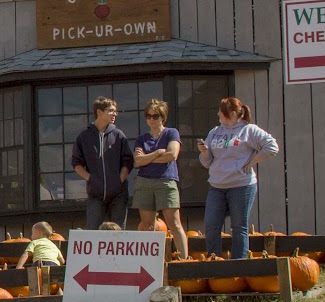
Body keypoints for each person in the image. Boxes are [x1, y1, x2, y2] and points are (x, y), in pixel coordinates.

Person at [198, 97, 281, 260]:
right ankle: (213, 262)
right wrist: (204, 152)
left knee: (238, 227)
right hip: (216, 186)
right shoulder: (215, 132)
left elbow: (272, 147)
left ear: (235, 113)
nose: (219, 114)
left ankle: (239, 265)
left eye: (223, 112)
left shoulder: (249, 130)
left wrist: (253, 160)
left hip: (241, 185)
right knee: (211, 225)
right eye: (220, 111)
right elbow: (207, 163)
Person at [132, 98, 190, 260]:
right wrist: (157, 153)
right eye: (148, 116)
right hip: (144, 182)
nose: (151, 119)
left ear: (162, 117)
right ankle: (150, 262)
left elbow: (172, 155)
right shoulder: (141, 138)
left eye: (155, 116)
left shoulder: (171, 133)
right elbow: (137, 161)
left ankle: (184, 260)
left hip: (166, 181)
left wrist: (147, 158)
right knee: (147, 225)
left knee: (174, 223)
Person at [71, 97, 134, 229]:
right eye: (111, 111)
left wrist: (120, 179)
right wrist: (91, 178)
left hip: (118, 194)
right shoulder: (84, 137)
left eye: (116, 111)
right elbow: (76, 163)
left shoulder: (119, 135)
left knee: (118, 232)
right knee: (93, 231)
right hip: (96, 194)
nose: (115, 114)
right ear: (99, 112)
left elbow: (127, 161)